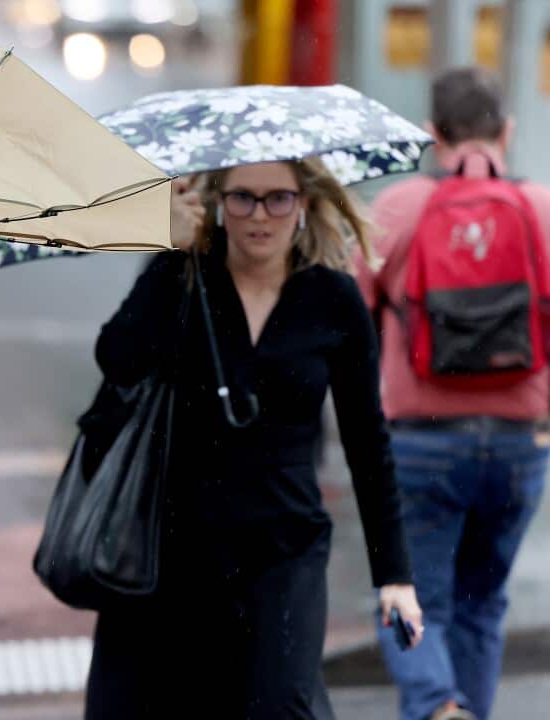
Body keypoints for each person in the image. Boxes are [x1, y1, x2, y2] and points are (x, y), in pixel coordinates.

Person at [86, 161, 424, 718]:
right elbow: (117, 360)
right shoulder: (184, 275)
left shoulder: (333, 299)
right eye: (243, 197)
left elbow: (369, 443)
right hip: (177, 544)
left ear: (305, 204)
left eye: (278, 199)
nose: (259, 216)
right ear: (218, 201)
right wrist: (170, 254)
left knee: (280, 703)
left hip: (285, 547)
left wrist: (395, 574)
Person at [357, 67, 550, 720]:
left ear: (433, 135)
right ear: (509, 131)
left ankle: (436, 704)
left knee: (411, 596)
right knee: (482, 604)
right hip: (522, 445)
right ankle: (459, 708)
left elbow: (350, 318)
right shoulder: (544, 209)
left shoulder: (397, 208)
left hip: (419, 442)